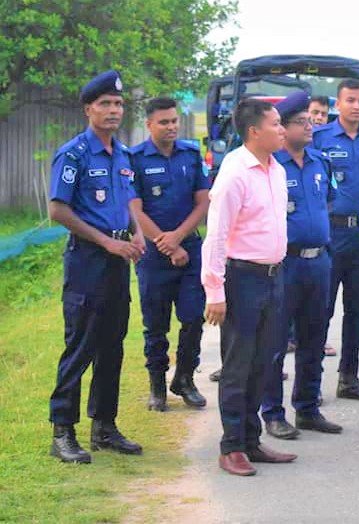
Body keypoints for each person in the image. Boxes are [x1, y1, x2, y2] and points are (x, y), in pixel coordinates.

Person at [47, 70, 146, 463]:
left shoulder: (123, 155)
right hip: (88, 262)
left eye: (118, 104)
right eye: (105, 103)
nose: (113, 110)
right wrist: (106, 241)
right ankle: (62, 432)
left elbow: (127, 201)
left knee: (112, 346)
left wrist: (136, 232)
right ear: (89, 108)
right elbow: (57, 209)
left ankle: (104, 426)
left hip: (118, 263)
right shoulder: (73, 153)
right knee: (81, 346)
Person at [202, 97, 297, 476]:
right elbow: (217, 235)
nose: (282, 129)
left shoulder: (274, 168)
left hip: (275, 277)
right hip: (243, 279)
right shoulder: (235, 172)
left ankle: (251, 440)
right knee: (238, 365)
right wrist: (215, 291)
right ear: (254, 131)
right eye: (275, 124)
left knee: (265, 361)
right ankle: (231, 447)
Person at [260, 91, 343, 440]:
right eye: (301, 122)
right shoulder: (270, 165)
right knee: (276, 341)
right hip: (284, 264)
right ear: (283, 128)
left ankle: (307, 407)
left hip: (318, 262)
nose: (310, 126)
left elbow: (329, 200)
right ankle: (273, 412)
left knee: (314, 336)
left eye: (311, 120)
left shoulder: (319, 162)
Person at [129, 97, 210, 412]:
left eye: (175, 120)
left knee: (193, 317)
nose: (171, 126)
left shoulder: (190, 155)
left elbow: (203, 202)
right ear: (149, 124)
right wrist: (165, 242)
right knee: (156, 324)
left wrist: (178, 238)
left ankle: (185, 379)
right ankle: (158, 386)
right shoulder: (134, 159)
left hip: (189, 249)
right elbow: (134, 209)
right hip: (152, 254)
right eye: (164, 122)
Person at [313, 79, 359, 402]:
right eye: (351, 100)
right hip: (331, 234)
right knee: (321, 310)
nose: (357, 106)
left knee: (356, 311)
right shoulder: (319, 138)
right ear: (337, 105)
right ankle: (311, 382)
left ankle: (349, 377)